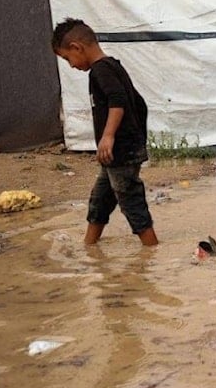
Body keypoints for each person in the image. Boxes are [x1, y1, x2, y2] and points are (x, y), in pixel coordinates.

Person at [51, 18, 158, 246]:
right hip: (117, 154)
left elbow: (117, 101)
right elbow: (139, 104)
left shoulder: (101, 71)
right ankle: (89, 246)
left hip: (121, 153)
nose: (71, 66)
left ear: (77, 47)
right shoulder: (112, 67)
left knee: (131, 202)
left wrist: (108, 136)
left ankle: (151, 249)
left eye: (67, 59)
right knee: (100, 201)